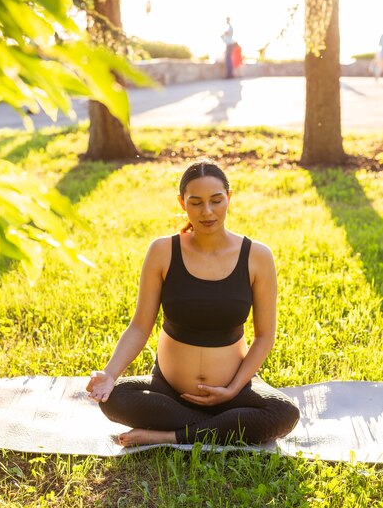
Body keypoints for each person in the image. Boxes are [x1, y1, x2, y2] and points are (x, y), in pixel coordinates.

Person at [86, 160, 300, 448]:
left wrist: (233, 389)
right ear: (182, 203)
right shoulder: (163, 251)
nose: (207, 211)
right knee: (115, 399)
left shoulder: (257, 256)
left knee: (284, 413)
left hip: (231, 393)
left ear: (229, 198)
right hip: (169, 391)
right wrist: (109, 375)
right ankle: (219, 428)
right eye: (196, 202)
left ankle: (169, 435)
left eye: (216, 200)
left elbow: (265, 336)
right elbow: (139, 326)